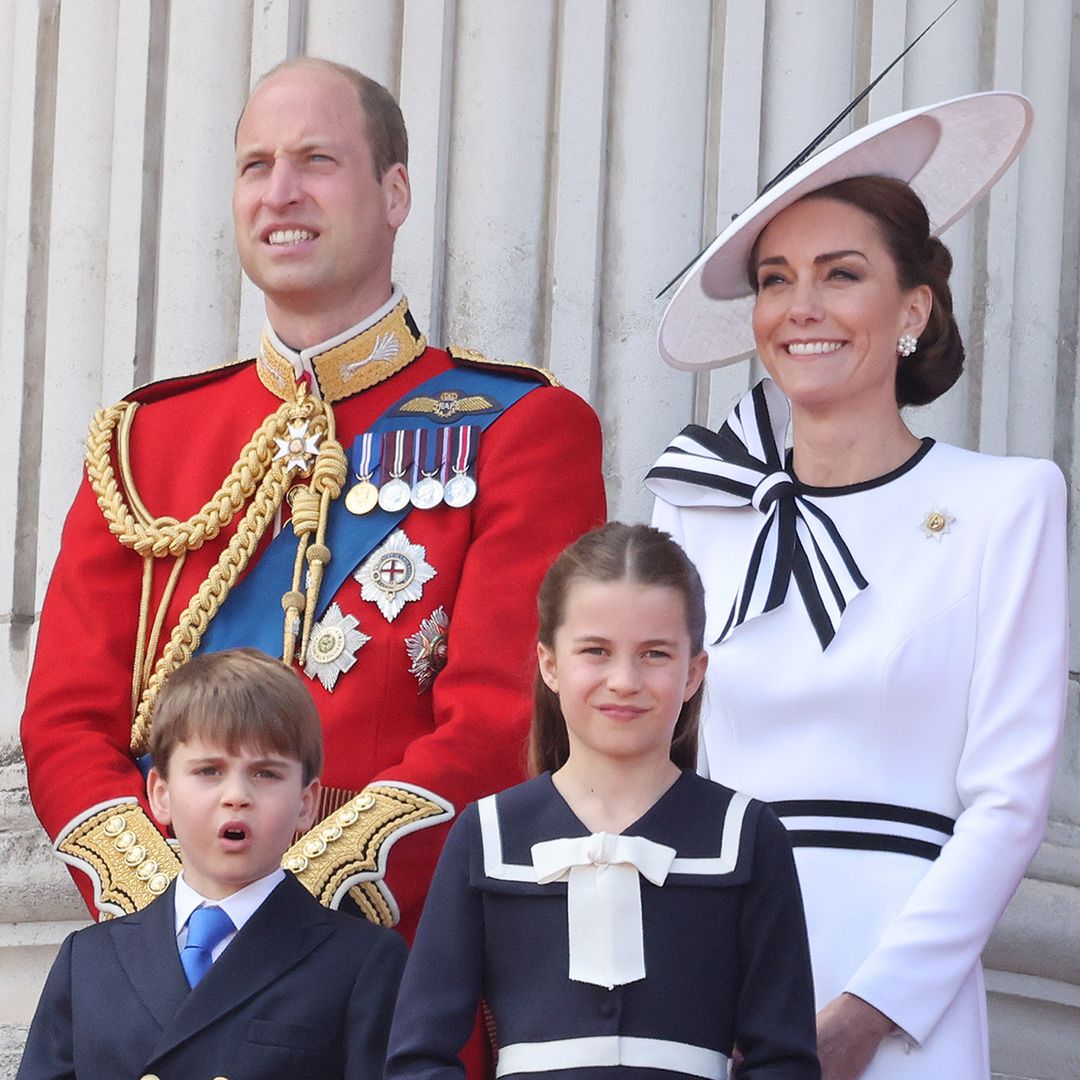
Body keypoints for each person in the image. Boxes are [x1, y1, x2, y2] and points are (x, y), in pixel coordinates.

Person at [20, 57, 605, 945]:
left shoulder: (520, 428)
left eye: (317, 161)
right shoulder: (145, 442)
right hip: (168, 969)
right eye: (257, 166)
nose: (280, 192)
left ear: (395, 191)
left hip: (388, 968)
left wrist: (285, 914)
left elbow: (503, 720)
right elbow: (66, 722)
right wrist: (174, 917)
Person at [646, 93, 1068, 1080]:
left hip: (902, 1001)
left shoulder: (1006, 503)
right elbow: (651, 768)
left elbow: (1007, 804)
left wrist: (870, 1011)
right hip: (707, 974)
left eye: (842, 274)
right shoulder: (693, 511)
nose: (802, 307)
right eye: (776, 279)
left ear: (912, 308)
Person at [385, 522, 821, 1080]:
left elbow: (783, 1060)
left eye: (655, 654)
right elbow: (420, 1057)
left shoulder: (747, 835)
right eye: (596, 651)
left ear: (694, 672)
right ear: (549, 665)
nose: (623, 680)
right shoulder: (487, 833)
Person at [17, 648, 407, 1080]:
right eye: (208, 771)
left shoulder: (363, 962)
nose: (236, 795)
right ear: (160, 795)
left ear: (306, 803)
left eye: (266, 774)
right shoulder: (88, 961)